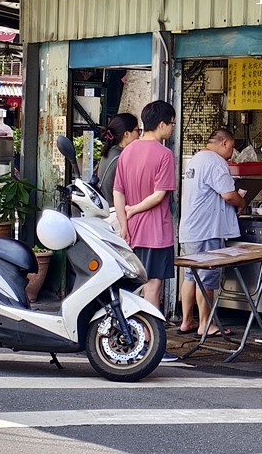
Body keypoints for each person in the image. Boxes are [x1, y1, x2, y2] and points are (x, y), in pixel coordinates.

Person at [113, 100, 178, 362]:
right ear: (161, 125)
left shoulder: (127, 151)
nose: (173, 128)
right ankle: (151, 346)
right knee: (152, 290)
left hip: (131, 233)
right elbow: (159, 195)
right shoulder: (165, 155)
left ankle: (128, 339)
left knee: (130, 289)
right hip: (156, 232)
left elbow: (118, 191)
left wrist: (124, 222)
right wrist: (133, 210)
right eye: (172, 124)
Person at [177, 128, 245, 336]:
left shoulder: (197, 159)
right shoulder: (216, 162)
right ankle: (206, 324)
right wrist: (242, 202)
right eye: (232, 147)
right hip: (206, 229)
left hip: (190, 228)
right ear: (224, 143)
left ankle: (186, 321)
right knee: (206, 278)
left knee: (191, 275)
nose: (232, 153)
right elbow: (228, 195)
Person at [96, 113, 140, 207]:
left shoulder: (110, 152)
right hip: (116, 214)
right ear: (126, 134)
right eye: (137, 131)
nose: (139, 136)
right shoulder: (123, 158)